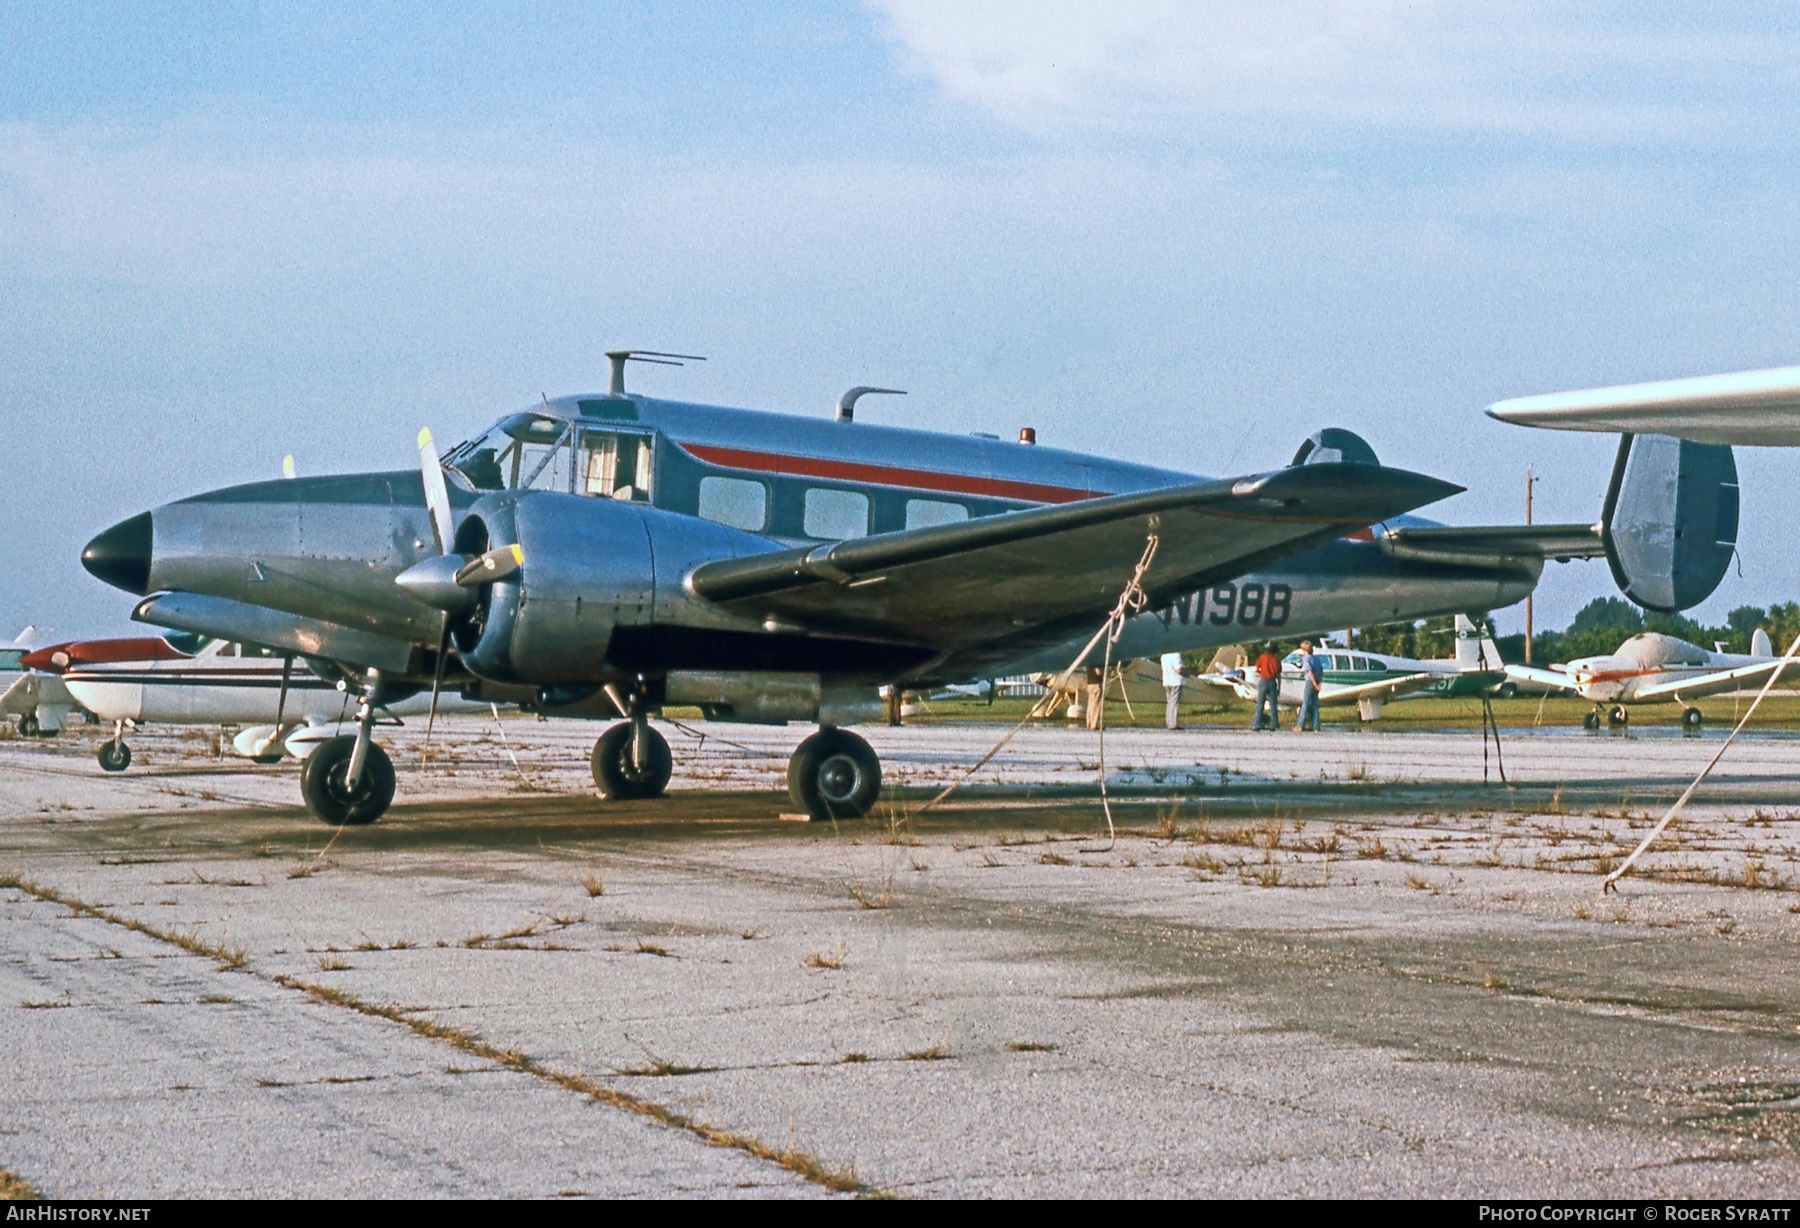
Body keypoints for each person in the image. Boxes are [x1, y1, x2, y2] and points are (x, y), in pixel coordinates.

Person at [1251, 642, 1282, 731]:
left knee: (1260, 704)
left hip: (1263, 681)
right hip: (1273, 682)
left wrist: (1263, 673)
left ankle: (1257, 724)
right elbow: (1279, 675)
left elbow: (1257, 669)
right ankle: (1274, 724)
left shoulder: (1262, 658)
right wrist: (1279, 687)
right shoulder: (1276, 660)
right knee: (1273, 705)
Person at [1296, 639, 1324, 732]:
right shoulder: (1317, 659)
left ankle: (1300, 725)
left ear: (1304, 650)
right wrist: (1319, 683)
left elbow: (1310, 672)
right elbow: (1321, 671)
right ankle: (1316, 726)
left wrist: (1314, 684)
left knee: (1305, 704)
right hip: (1317, 680)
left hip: (1310, 682)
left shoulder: (1307, 658)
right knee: (1315, 705)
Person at [1160, 652, 1187, 729]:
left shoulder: (1163, 656)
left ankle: (1168, 722)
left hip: (1167, 681)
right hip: (1176, 681)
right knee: (1174, 703)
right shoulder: (1176, 655)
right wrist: (1187, 672)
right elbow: (1178, 670)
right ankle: (1173, 724)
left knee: (1169, 702)